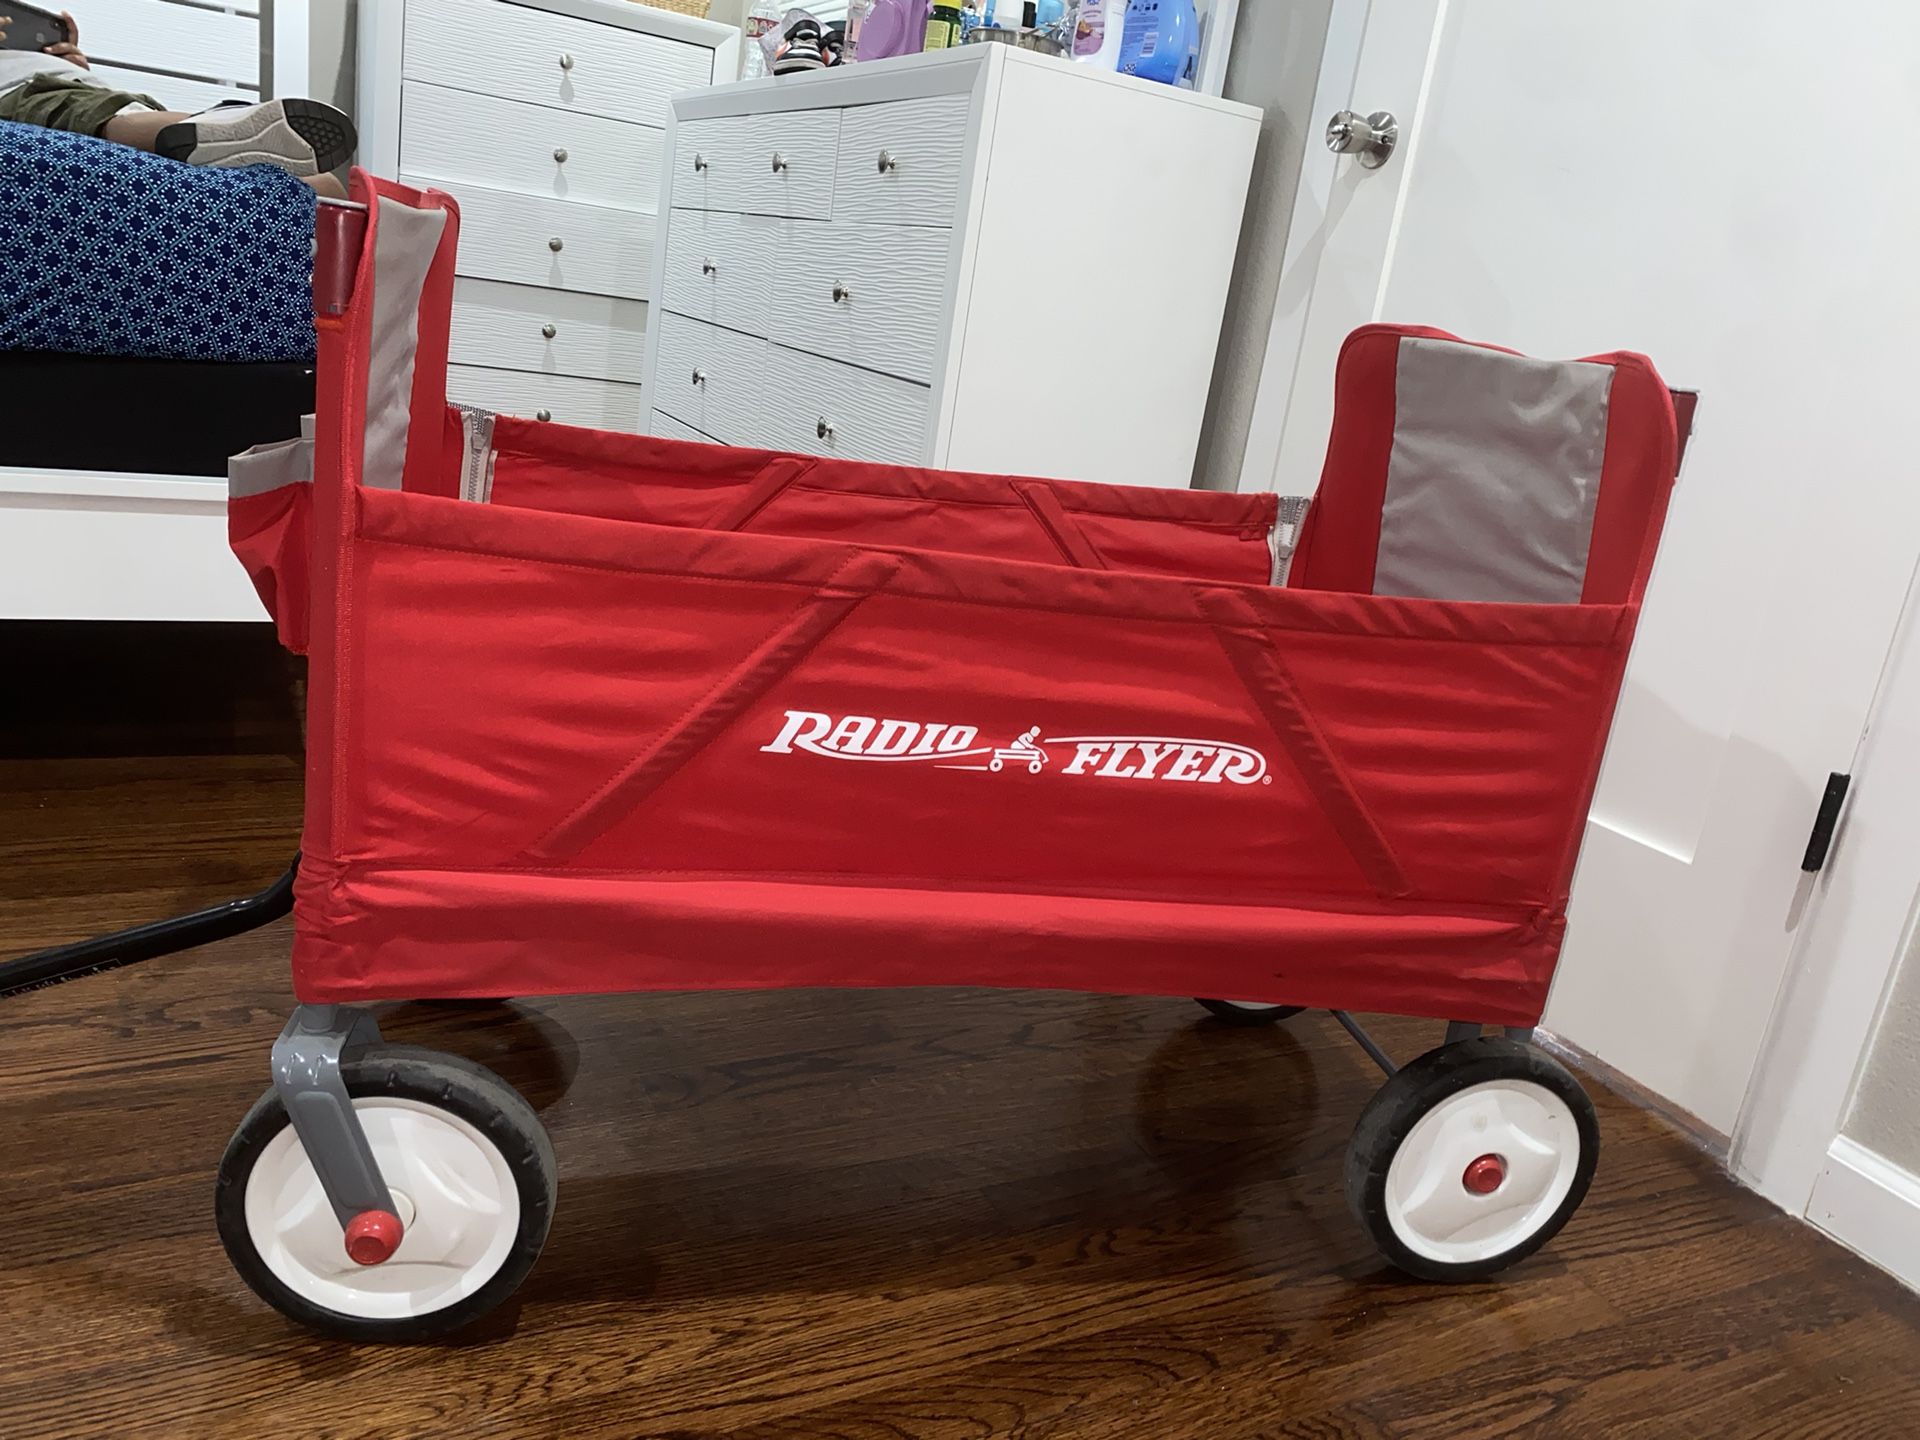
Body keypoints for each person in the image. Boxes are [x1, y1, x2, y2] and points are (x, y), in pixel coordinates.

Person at [0, 8, 355, 196]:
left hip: (91, 90)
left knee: (328, 187)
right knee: (79, 110)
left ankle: (213, 132)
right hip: (24, 93)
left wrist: (69, 60)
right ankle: (219, 128)